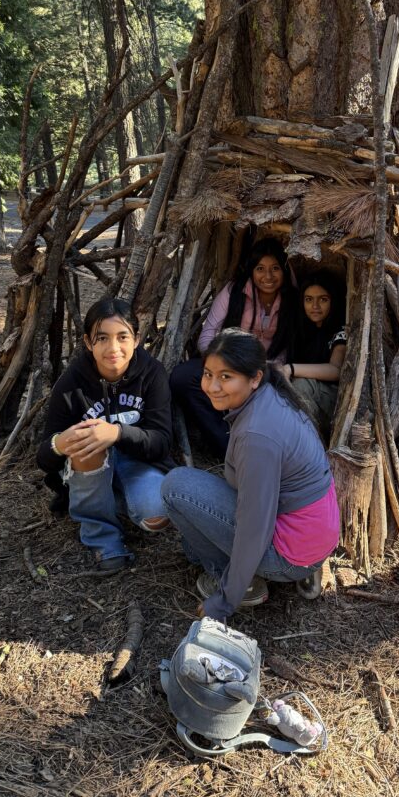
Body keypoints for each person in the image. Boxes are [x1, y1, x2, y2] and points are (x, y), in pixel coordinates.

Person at [161, 328, 340, 621]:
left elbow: (254, 526)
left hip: (290, 554)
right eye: (208, 374)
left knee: (176, 487)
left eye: (226, 377)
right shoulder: (273, 394)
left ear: (254, 377)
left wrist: (225, 601)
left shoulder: (257, 434)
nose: (213, 386)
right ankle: (296, 566)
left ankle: (243, 584)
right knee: (190, 537)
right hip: (314, 536)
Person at [37, 298, 174, 573]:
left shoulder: (152, 373)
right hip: (90, 464)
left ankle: (107, 503)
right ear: (88, 343)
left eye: (122, 337)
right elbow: (43, 458)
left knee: (157, 516)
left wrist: (117, 433)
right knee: (85, 442)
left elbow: (161, 441)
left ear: (136, 340)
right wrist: (60, 443)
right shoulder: (73, 381)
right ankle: (102, 537)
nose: (113, 348)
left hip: (139, 461)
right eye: (102, 338)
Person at [169, 237, 297, 456]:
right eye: (260, 268)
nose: (268, 276)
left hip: (265, 372)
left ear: (284, 270)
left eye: (275, 268)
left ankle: (261, 448)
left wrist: (264, 369)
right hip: (227, 363)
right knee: (182, 377)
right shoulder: (234, 292)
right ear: (251, 270)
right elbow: (206, 337)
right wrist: (230, 363)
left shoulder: (291, 300)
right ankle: (226, 446)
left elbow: (288, 349)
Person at [284, 269, 347, 438]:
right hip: (306, 400)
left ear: (333, 301)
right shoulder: (301, 330)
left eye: (323, 300)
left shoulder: (340, 331)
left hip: (331, 402)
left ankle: (309, 444)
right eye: (309, 299)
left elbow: (335, 370)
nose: (315, 306)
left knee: (301, 386)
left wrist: (291, 368)